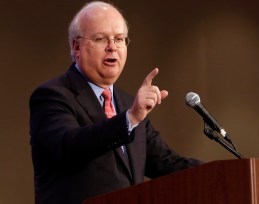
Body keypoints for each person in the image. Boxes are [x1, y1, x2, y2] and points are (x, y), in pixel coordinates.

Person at [29, 1, 202, 204]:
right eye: (101, 39)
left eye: (119, 39)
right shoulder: (51, 96)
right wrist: (130, 119)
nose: (112, 47)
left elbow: (167, 164)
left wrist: (226, 171)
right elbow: (71, 146)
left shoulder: (128, 104)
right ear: (76, 46)